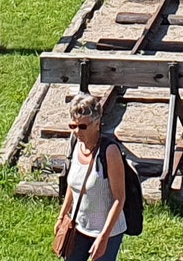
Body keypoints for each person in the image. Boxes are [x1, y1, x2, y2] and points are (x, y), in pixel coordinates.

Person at [56, 93, 128, 261]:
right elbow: (74, 185)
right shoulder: (76, 144)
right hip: (79, 227)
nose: (76, 132)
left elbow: (119, 198)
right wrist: (62, 216)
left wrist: (103, 237)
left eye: (82, 126)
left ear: (96, 124)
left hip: (107, 232)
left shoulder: (110, 152)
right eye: (73, 126)